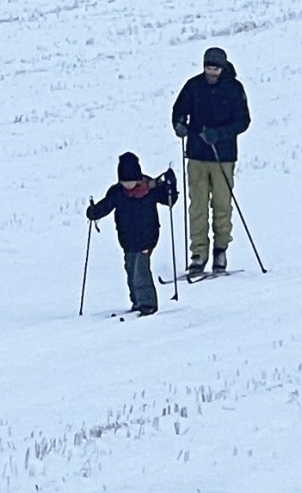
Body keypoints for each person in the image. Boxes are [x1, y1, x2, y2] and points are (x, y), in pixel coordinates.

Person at [171, 47, 251, 278]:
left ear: (223, 67)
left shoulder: (234, 88)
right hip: (196, 153)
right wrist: (179, 124)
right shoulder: (194, 86)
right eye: (208, 67)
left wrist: (220, 134)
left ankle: (220, 249)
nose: (211, 72)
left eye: (215, 68)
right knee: (196, 205)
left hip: (223, 156)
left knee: (222, 205)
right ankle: (198, 254)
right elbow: (179, 110)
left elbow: (243, 121)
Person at [87, 152, 179, 316]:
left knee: (140, 270)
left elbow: (168, 200)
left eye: (131, 182)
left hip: (147, 237)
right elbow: (106, 205)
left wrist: (171, 187)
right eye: (124, 182)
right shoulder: (117, 192)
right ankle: (136, 301)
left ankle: (147, 303)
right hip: (127, 239)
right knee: (130, 269)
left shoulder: (150, 189)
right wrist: (94, 212)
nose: (128, 186)